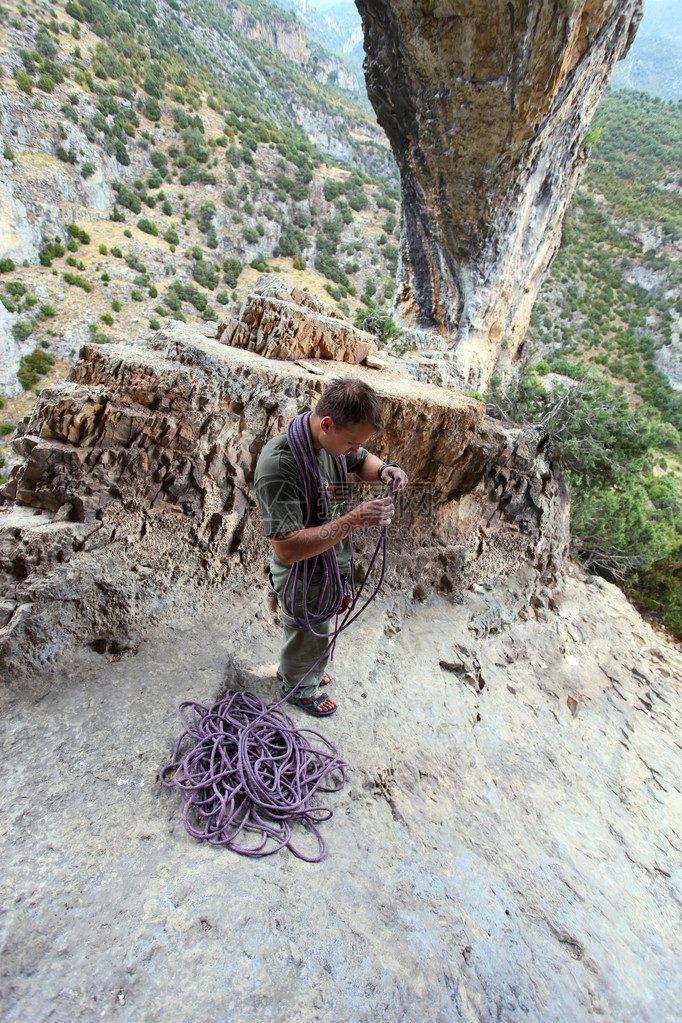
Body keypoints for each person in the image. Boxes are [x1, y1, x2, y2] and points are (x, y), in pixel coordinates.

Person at [254, 378, 408, 717]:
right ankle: (299, 687)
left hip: (327, 564)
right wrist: (353, 520)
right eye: (352, 441)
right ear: (327, 424)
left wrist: (384, 469)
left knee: (316, 628)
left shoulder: (329, 442)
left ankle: (303, 669)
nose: (355, 449)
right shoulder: (280, 466)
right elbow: (287, 549)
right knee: (308, 627)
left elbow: (361, 458)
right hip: (303, 571)